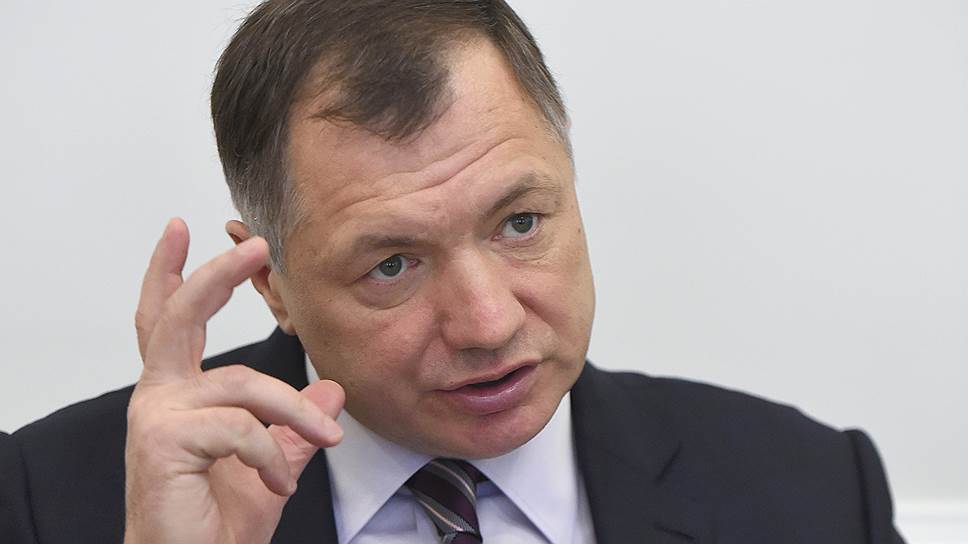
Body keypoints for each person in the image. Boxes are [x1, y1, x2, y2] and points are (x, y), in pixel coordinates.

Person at [0, 1, 906, 543]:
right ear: (273, 285)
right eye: (392, 264)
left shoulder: (814, 491)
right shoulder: (53, 502)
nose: (487, 323)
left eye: (520, 223)